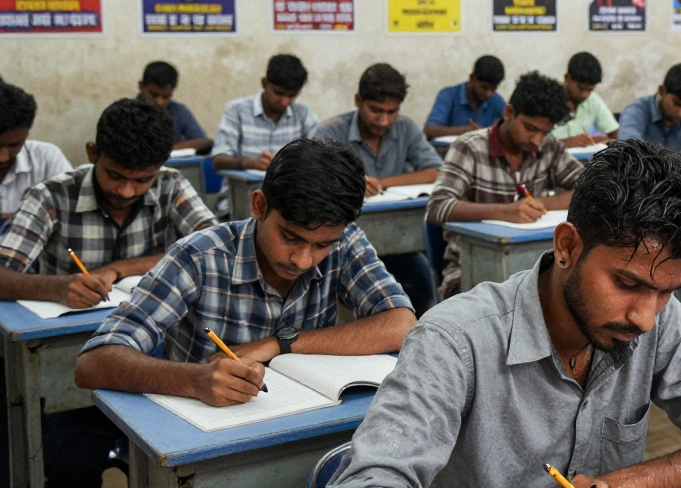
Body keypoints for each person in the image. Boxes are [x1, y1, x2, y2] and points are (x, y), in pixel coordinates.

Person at [328, 140, 681, 488]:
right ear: (567, 247)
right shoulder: (454, 342)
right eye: (627, 284)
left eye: (666, 291)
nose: (645, 318)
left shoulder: (662, 321)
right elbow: (372, 479)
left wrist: (629, 482)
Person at [75, 140, 415, 487]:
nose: (302, 259)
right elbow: (93, 363)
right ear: (259, 205)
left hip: (309, 432)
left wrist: (280, 343)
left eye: (322, 245)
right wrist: (193, 380)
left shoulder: (345, 241)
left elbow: (402, 324)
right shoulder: (198, 257)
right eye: (290, 237)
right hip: (209, 449)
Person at [0, 98, 216, 488]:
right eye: (115, 175)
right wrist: (57, 286)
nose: (127, 190)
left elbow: (212, 250)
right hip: (72, 361)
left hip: (156, 362)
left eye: (142, 180)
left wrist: (119, 268)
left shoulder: (170, 185)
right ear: (92, 152)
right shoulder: (52, 196)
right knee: (69, 462)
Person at [426, 72, 583, 297]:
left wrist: (540, 204)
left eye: (545, 132)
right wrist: (505, 211)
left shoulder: (548, 147)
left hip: (534, 266)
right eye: (530, 128)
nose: (537, 140)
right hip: (472, 268)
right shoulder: (470, 147)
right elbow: (437, 207)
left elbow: (589, 189)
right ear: (509, 113)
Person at [315, 63, 443, 312]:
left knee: (422, 284)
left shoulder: (406, 128)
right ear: (358, 100)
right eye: (375, 110)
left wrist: (383, 182)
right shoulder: (331, 131)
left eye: (391, 112)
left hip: (399, 243)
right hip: (341, 247)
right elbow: (313, 179)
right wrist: (353, 181)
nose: (384, 120)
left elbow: (436, 171)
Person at [211, 54, 319, 216]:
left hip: (289, 208)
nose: (284, 102)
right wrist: (248, 163)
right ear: (264, 83)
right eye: (279, 93)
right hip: (239, 205)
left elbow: (318, 162)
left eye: (291, 96)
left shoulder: (304, 115)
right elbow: (218, 161)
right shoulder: (236, 111)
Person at [0, 82, 71, 223]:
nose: (2, 157)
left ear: (26, 135)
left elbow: (68, 214)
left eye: (14, 145)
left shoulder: (47, 158)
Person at [137, 61, 212, 153]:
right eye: (154, 95)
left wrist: (165, 150)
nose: (160, 102)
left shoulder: (179, 111)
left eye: (166, 97)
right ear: (141, 86)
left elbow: (204, 142)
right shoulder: (127, 112)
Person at [424, 55, 506, 139]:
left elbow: (508, 131)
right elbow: (429, 131)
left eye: (494, 89)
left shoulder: (497, 101)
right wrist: (466, 131)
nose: (489, 94)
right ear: (472, 78)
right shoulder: (448, 95)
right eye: (484, 88)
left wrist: (482, 133)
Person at [551, 52, 619, 147]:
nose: (585, 95)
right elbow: (535, 142)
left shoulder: (593, 100)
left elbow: (614, 133)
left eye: (590, 90)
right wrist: (565, 143)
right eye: (581, 89)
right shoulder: (548, 100)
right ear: (567, 78)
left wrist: (602, 141)